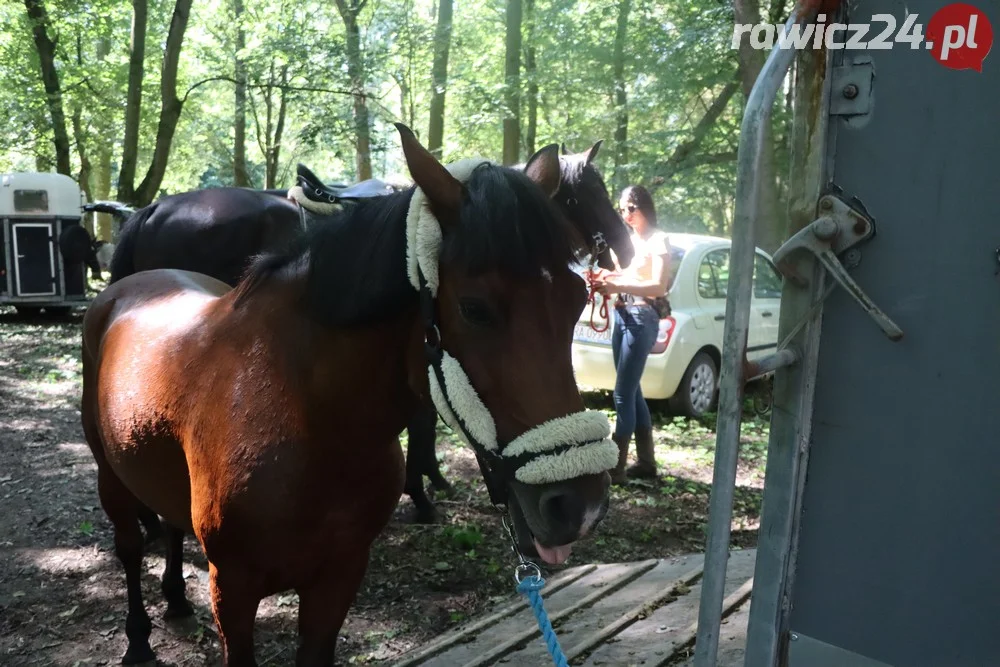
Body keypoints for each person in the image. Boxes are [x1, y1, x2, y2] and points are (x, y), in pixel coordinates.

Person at [592, 184, 672, 484]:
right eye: (621, 209)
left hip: (642, 318)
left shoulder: (658, 240)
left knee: (623, 393)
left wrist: (617, 286)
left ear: (640, 209)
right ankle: (647, 463)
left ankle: (617, 467)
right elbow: (626, 276)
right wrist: (606, 278)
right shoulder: (627, 243)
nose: (623, 214)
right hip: (622, 314)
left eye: (627, 208)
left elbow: (658, 286)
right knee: (633, 391)